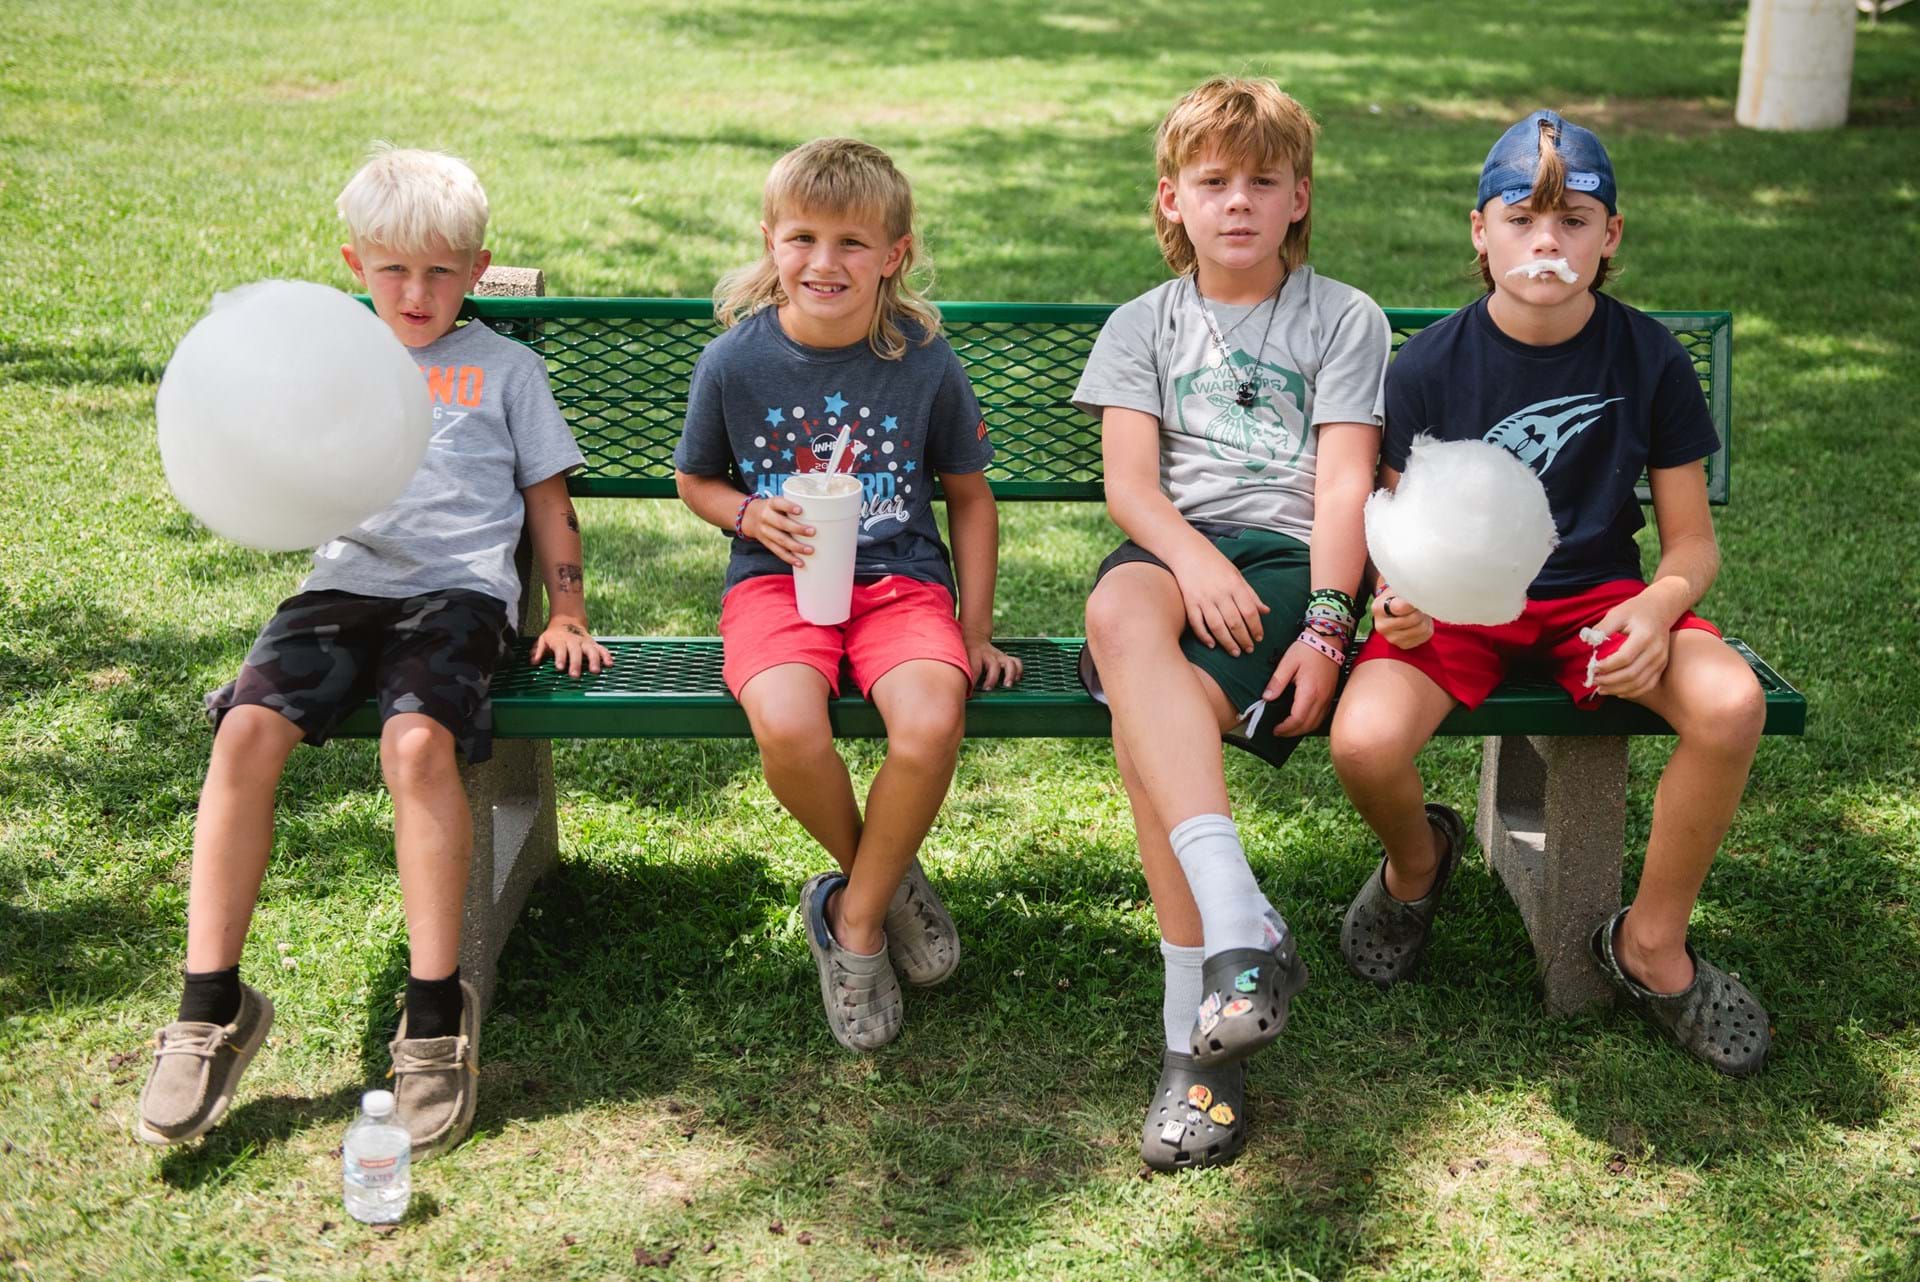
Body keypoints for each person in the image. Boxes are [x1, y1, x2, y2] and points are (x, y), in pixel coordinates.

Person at [137, 146, 611, 1155]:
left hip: (458, 600)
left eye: (440, 271)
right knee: (245, 731)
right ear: (355, 262)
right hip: (338, 591)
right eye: (393, 269)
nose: (416, 291)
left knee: (414, 746)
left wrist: (563, 610)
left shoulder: (506, 370)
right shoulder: (330, 359)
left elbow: (550, 509)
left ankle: (437, 1012)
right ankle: (210, 1002)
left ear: (477, 270)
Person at [1330, 111, 1770, 1076]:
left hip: (1597, 603)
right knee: (1362, 741)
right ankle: (1418, 864)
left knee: (1732, 704)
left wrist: (1656, 609)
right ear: (1479, 232)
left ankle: (1649, 943)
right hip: (1455, 607)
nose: (1546, 241)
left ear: (1609, 237)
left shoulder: (1648, 357)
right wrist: (1395, 596)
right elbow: (1392, 531)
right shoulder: (1430, 365)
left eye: (1573, 220)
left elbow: (1692, 540)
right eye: (1521, 218)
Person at [1074, 77, 1389, 1169]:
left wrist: (1329, 626)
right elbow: (1131, 488)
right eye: (1213, 182)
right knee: (1118, 604)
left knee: (1146, 735)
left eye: (1264, 181)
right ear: (1173, 200)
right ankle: (1235, 923)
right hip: (1174, 554)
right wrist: (1191, 557)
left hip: (1292, 570)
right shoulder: (1142, 325)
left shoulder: (1345, 318)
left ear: (1299, 198)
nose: (1239, 202)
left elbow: (1346, 486)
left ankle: (1195, 1045)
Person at [674, 138, 1021, 1053]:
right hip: (773, 583)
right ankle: (883, 872)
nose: (824, 263)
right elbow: (696, 481)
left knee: (931, 719)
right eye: (803, 239)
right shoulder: (735, 363)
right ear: (771, 241)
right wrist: (750, 516)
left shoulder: (922, 360)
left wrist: (974, 629)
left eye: (852, 244)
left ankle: (854, 919)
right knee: (788, 725)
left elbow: (970, 497)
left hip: (903, 583)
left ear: (894, 254)